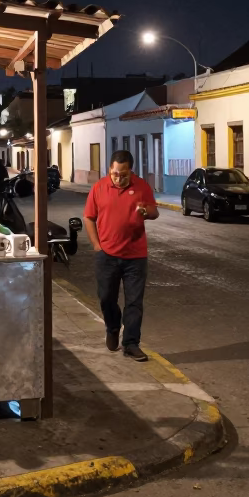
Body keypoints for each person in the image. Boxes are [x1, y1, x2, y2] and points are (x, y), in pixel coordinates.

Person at [83, 150, 158, 362]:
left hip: (135, 256)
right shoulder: (99, 187)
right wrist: (97, 245)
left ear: (130, 171)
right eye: (114, 173)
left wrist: (146, 212)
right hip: (107, 255)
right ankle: (113, 327)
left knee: (134, 302)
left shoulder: (141, 186)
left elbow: (154, 212)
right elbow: (89, 217)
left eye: (123, 174)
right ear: (110, 169)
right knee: (106, 297)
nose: (118, 178)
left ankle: (131, 343)